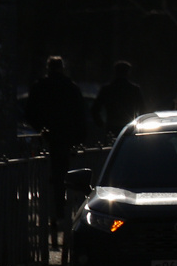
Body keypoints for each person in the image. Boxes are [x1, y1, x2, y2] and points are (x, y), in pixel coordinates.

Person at [25, 56, 89, 233]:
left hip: (46, 138)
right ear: (62, 68)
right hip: (64, 138)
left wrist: (41, 128)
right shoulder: (70, 87)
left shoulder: (40, 87)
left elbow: (29, 112)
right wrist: (78, 138)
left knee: (44, 179)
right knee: (63, 178)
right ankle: (62, 214)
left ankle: (48, 215)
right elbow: (79, 114)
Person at [92, 61, 146, 138]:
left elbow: (95, 109)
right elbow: (143, 110)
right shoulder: (134, 89)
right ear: (128, 73)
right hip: (130, 126)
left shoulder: (107, 89)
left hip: (112, 126)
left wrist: (101, 124)